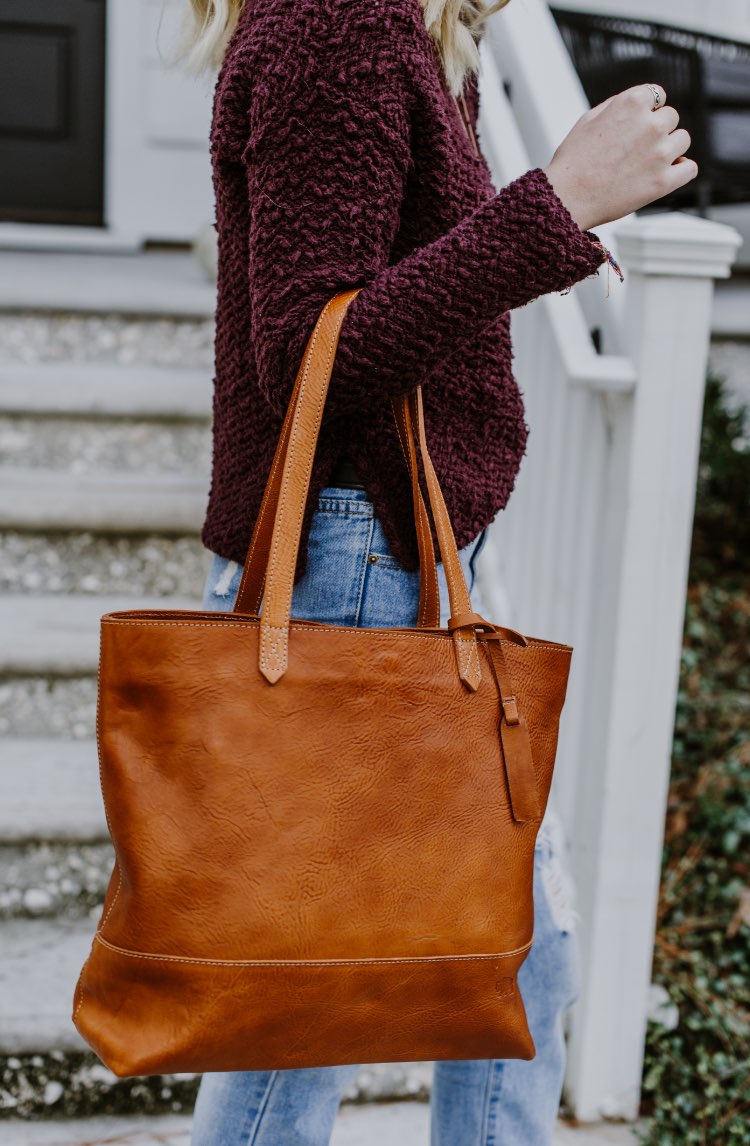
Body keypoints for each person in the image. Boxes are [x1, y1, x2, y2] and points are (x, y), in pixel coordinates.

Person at [185, 0, 697, 1142]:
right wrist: (553, 208)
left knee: (519, 972)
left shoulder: (407, 35)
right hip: (354, 572)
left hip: (404, 561)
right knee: (303, 1031)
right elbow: (317, 349)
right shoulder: (339, 26)